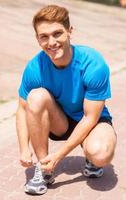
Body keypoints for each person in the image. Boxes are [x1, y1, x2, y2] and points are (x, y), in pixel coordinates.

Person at [16, 4, 117, 195]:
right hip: (60, 120)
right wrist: (23, 149)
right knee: (35, 97)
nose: (51, 42)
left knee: (101, 153)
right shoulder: (35, 67)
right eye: (44, 36)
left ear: (70, 32)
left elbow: (90, 118)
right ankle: (44, 168)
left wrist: (60, 155)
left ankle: (91, 158)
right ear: (37, 39)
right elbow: (22, 109)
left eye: (57, 34)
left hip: (90, 120)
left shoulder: (93, 63)